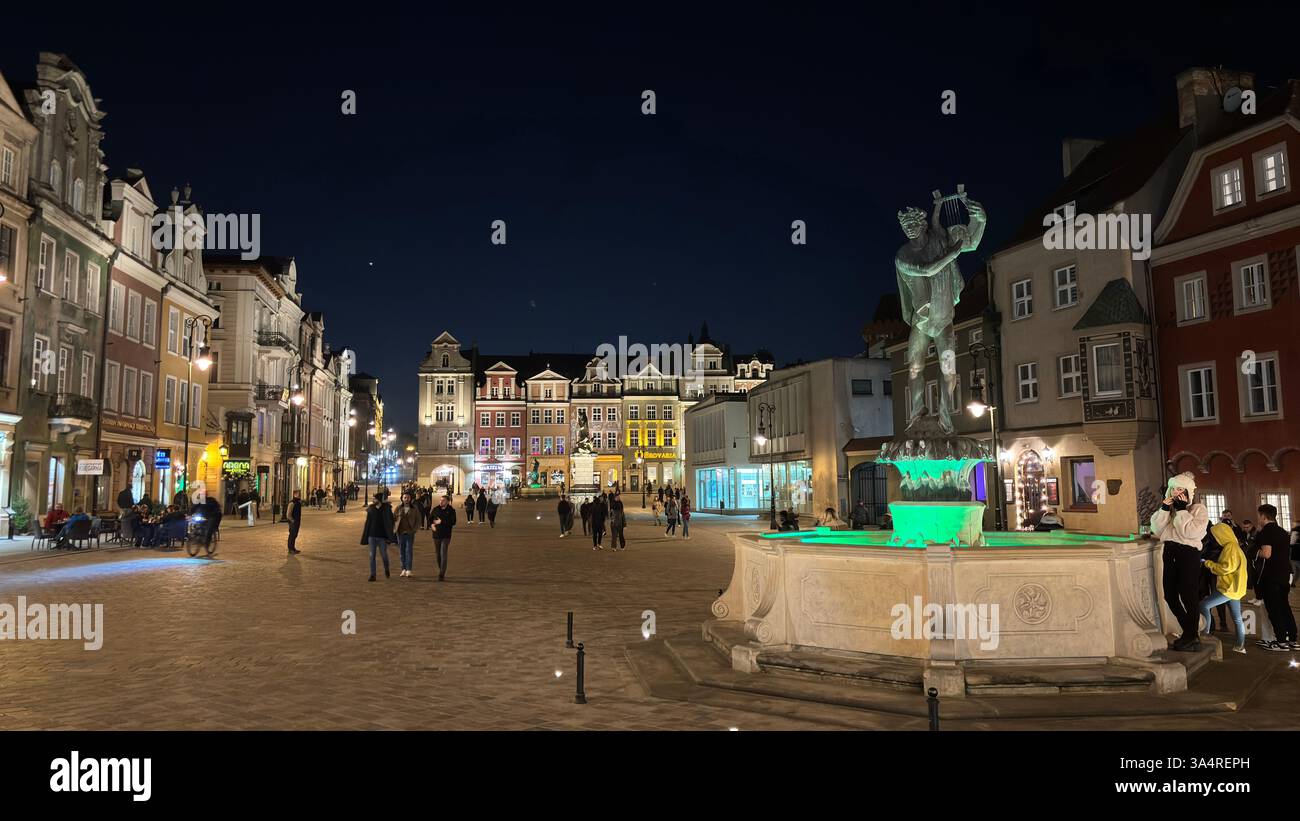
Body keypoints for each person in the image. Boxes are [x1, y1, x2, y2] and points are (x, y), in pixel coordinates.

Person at [1149, 472, 1210, 652]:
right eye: (1174, 489)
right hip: (1170, 551)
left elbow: (1190, 533)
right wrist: (1164, 510)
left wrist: (1182, 510)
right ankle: (1190, 633)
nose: (1177, 493)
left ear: (1189, 492)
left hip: (1188, 554)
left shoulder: (1198, 509)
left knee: (1188, 595)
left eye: (1181, 490)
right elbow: (1158, 530)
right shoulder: (1171, 511)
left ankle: (1191, 636)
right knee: (1169, 594)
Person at [1198, 522, 1248, 654]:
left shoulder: (1230, 548)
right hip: (1235, 588)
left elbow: (1225, 568)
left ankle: (1205, 636)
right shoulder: (1234, 546)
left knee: (1203, 605)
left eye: (1215, 536)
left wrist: (1208, 563)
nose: (1214, 539)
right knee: (1237, 618)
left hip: (1228, 588)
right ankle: (1240, 646)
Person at [1253, 503, 1297, 651]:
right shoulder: (1283, 531)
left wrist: (1253, 552)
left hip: (1271, 576)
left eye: (1259, 515)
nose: (1258, 518)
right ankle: (1292, 639)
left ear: (1263, 516)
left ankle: (1280, 642)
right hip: (1284, 574)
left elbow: (1266, 553)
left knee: (1274, 610)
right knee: (1285, 607)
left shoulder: (1266, 532)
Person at [360, 493, 396, 582]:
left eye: (375, 499)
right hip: (372, 536)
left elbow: (391, 521)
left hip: (382, 537)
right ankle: (373, 575)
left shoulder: (386, 509)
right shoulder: (371, 509)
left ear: (379, 500)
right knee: (372, 555)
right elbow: (367, 522)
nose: (373, 500)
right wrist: (366, 535)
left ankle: (386, 569)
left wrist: (390, 535)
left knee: (384, 555)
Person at [429, 492, 457, 581]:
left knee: (443, 553)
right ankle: (441, 568)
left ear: (448, 501)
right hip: (436, 535)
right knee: (438, 554)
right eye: (440, 500)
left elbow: (453, 522)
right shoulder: (436, 509)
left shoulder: (451, 510)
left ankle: (442, 573)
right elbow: (430, 519)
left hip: (446, 535)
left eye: (443, 500)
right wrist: (432, 525)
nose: (441, 502)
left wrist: (442, 521)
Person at [393, 491, 422, 577]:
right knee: (402, 551)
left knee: (409, 551)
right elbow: (393, 519)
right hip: (400, 533)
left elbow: (418, 520)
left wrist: (415, 529)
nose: (406, 499)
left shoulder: (414, 508)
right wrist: (395, 529)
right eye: (405, 497)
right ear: (402, 498)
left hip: (410, 533)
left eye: (408, 497)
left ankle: (409, 569)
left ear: (410, 499)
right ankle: (403, 569)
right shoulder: (398, 508)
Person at [286, 489, 303, 555]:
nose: (300, 495)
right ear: (295, 494)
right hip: (293, 521)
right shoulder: (292, 503)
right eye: (299, 494)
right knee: (292, 535)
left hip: (297, 521)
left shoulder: (298, 502)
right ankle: (290, 548)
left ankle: (293, 548)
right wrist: (292, 520)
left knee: (295, 535)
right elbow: (288, 514)